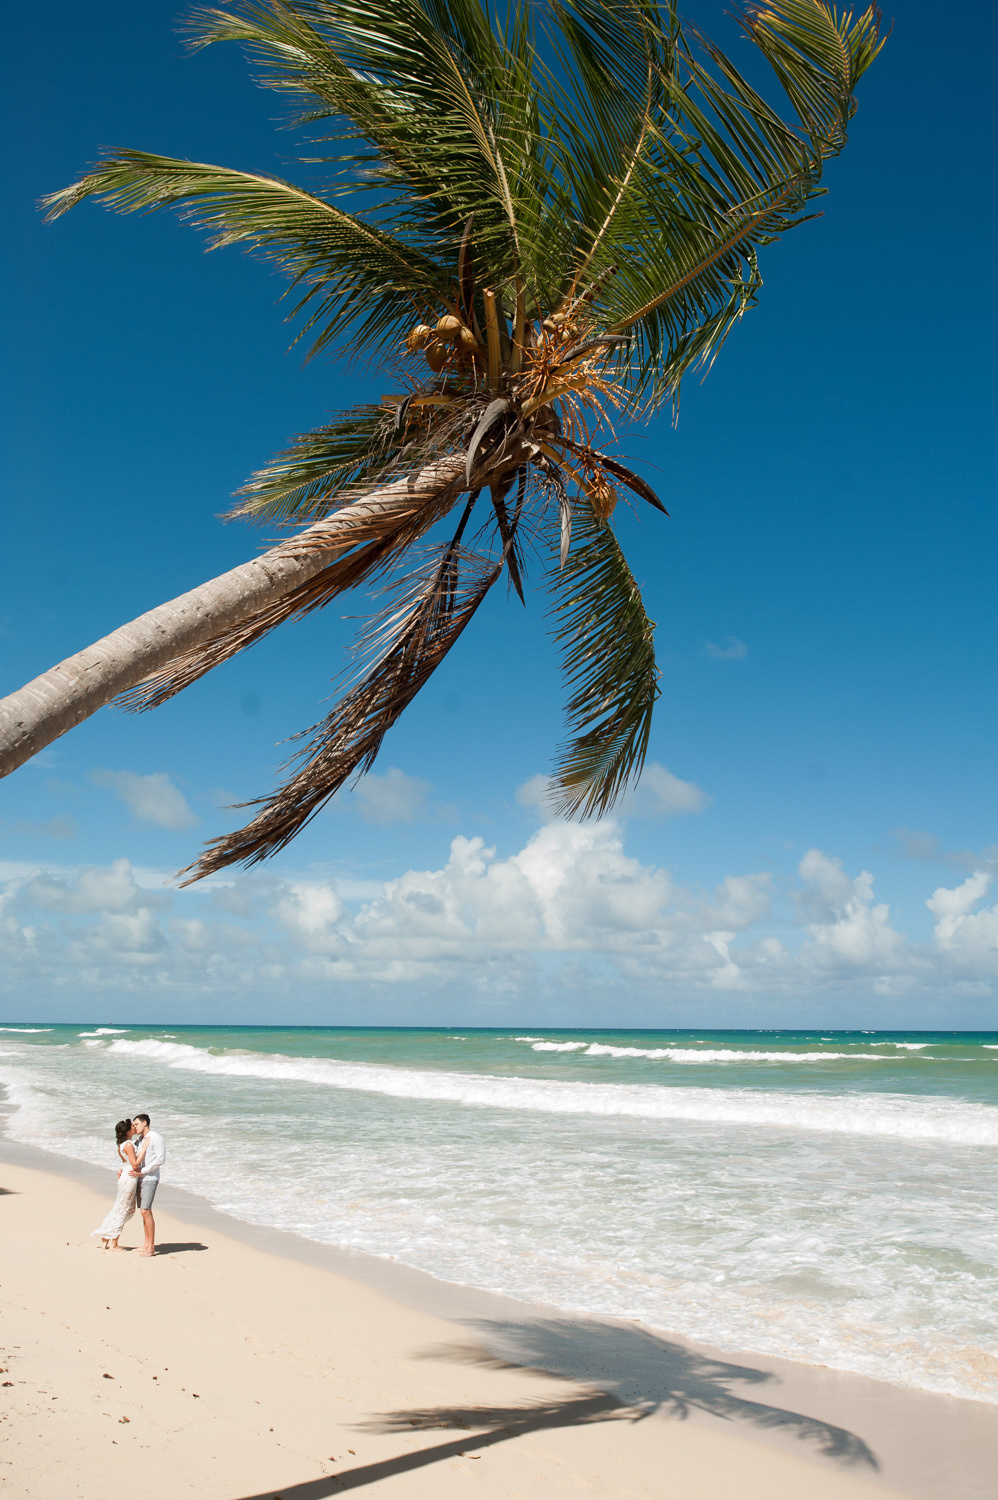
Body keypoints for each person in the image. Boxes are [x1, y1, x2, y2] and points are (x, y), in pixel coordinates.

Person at [91, 1119, 147, 1250]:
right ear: (128, 1131)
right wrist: (143, 1149)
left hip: (125, 1176)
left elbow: (126, 1164)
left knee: (121, 1207)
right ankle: (114, 1243)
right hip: (130, 1177)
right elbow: (134, 1164)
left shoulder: (121, 1146)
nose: (134, 1128)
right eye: (132, 1126)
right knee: (124, 1209)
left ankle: (106, 1238)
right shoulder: (128, 1145)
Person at [129, 1113, 166, 1258]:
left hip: (150, 1178)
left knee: (146, 1211)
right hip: (140, 1178)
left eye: (136, 1124)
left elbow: (160, 1159)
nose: (134, 1127)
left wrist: (142, 1171)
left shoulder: (156, 1138)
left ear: (145, 1123)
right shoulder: (140, 1140)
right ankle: (146, 1244)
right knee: (144, 1211)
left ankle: (151, 1247)